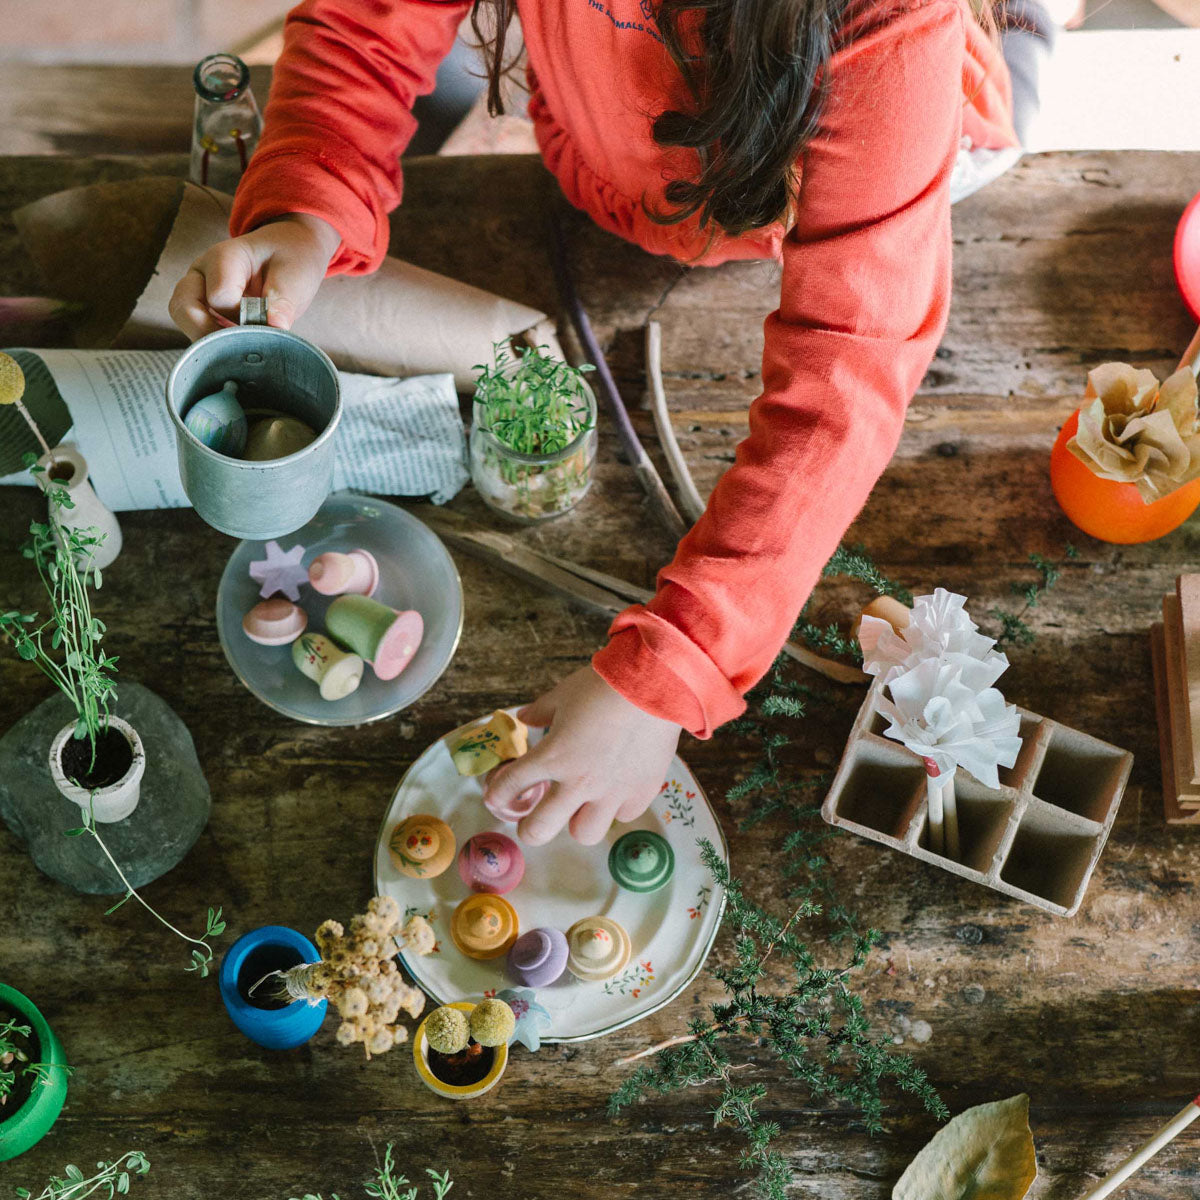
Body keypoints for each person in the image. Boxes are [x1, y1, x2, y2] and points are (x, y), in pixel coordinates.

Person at [170, 0, 1056, 847]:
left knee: (1007, 55)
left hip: (851, 160)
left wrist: (669, 675)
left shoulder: (897, 24)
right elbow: (369, 27)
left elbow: (850, 364)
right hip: (617, 156)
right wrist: (309, 203)